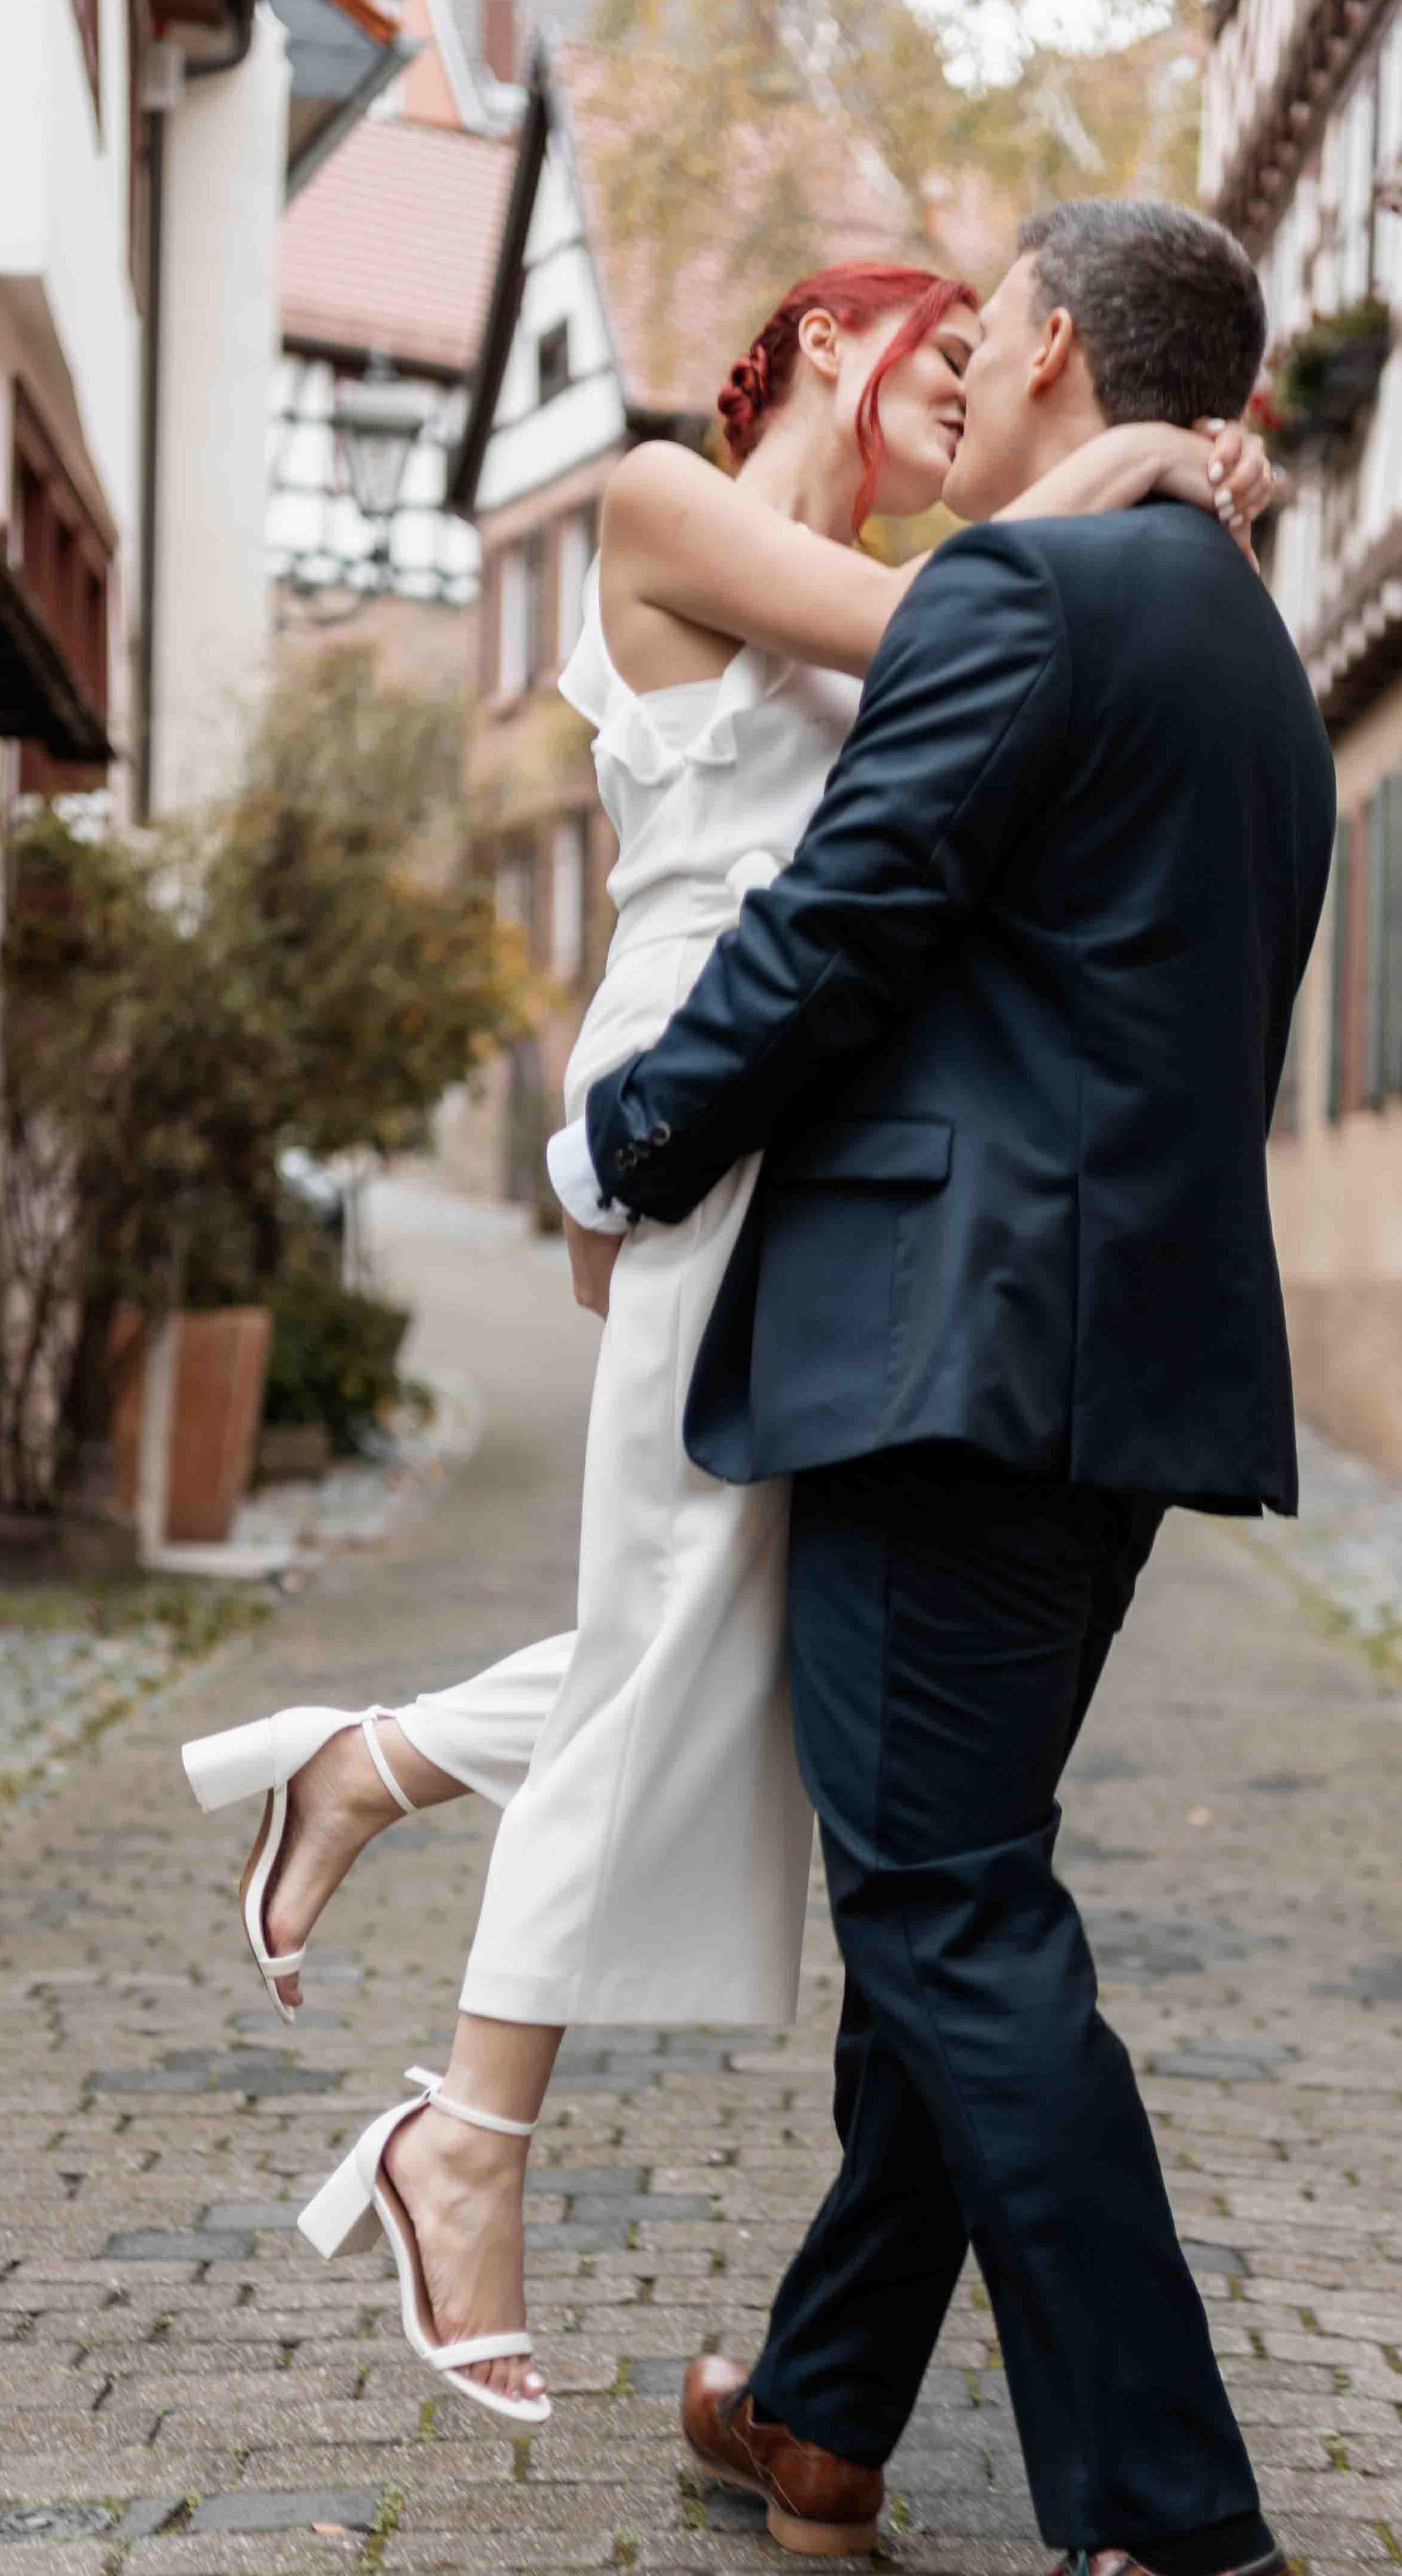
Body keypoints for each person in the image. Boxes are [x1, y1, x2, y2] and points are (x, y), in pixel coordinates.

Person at [181, 255, 1263, 2425]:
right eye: (941, 362)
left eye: (994, 373)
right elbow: (981, 641)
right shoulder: (671, 502)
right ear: (835, 342)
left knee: (735, 1633)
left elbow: (992, 687)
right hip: (702, 1081)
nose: (963, 408)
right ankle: (461, 2140)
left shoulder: (907, 585)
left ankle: (359, 1770)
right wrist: (1151, 474)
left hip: (816, 1130)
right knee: (687, 1608)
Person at [550, 198, 1335, 2576]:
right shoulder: (1244, 650)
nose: (970, 383)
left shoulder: (1032, 593)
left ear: (1061, 353)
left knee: (956, 1930)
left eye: (989, 341)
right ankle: (819, 2401)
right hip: (1115, 1368)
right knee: (948, 1883)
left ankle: (1178, 2540)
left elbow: (844, 926)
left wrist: (630, 1142)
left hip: (954, 1350)